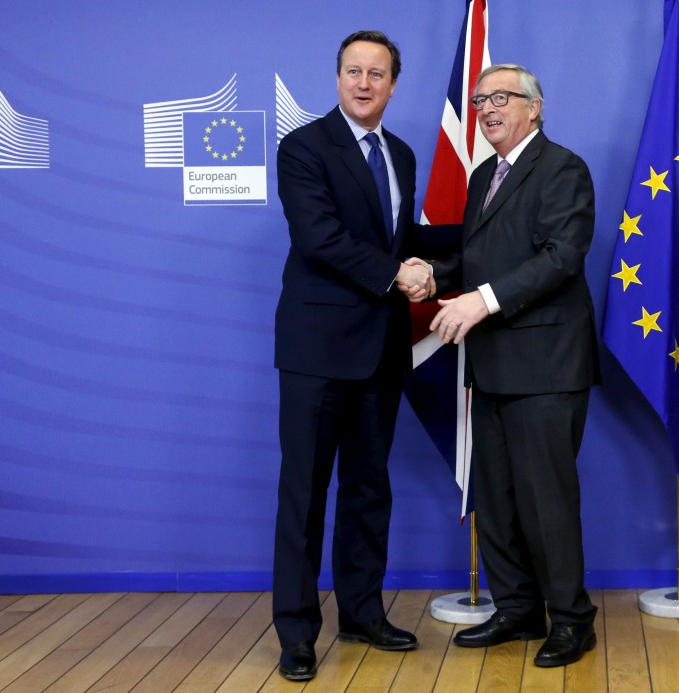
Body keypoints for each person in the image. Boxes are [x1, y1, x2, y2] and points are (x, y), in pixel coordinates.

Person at [271, 30, 439, 682]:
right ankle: (297, 633)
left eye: (377, 73)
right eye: (352, 71)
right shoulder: (303, 147)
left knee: (369, 492)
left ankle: (364, 611)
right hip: (316, 354)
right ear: (337, 78)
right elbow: (321, 240)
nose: (364, 83)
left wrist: (438, 265)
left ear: (393, 84)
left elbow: (400, 239)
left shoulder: (400, 152)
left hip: (381, 352)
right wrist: (402, 274)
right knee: (305, 497)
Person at [429, 64, 601, 668]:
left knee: (545, 498)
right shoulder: (482, 176)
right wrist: (435, 277)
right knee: (497, 497)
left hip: (548, 362)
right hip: (492, 361)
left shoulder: (563, 168)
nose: (486, 108)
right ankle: (520, 609)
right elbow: (478, 260)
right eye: (480, 100)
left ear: (535, 108)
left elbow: (561, 256)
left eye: (500, 98)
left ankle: (573, 621)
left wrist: (481, 300)